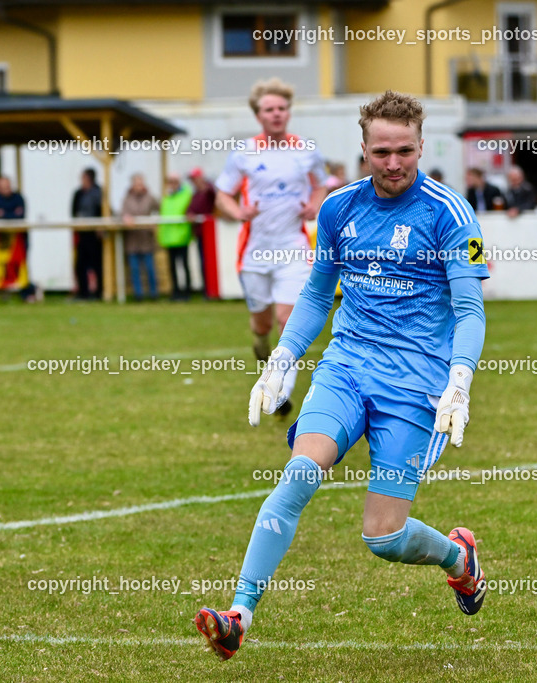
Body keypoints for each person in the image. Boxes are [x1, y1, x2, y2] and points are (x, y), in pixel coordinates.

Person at [194, 90, 490, 661]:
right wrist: (283, 359)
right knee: (301, 471)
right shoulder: (338, 209)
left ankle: (459, 558)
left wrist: (460, 379)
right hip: (347, 367)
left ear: (422, 146)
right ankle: (239, 614)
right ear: (362, 149)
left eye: (405, 150)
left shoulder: (449, 213)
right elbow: (315, 292)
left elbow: (470, 308)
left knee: (383, 537)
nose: (395, 163)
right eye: (382, 152)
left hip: (416, 386)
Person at [215, 77, 327, 415]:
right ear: (258, 115)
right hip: (255, 251)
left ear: (288, 112)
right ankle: (260, 345)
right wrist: (238, 211)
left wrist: (315, 206)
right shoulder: (244, 154)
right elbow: (223, 194)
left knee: (287, 319)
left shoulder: (306, 151)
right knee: (262, 323)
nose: (276, 114)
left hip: (293, 247)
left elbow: (322, 185)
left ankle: (280, 393)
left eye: (281, 108)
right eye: (269, 109)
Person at [120, 173, 159, 301]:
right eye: (136, 183)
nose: (139, 186)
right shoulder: (127, 199)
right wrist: (125, 218)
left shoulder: (150, 197)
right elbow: (122, 214)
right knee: (135, 270)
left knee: (150, 269)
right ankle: (138, 294)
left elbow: (161, 209)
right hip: (132, 240)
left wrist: (155, 222)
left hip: (146, 239)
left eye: (141, 183)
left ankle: (154, 294)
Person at [0, 176, 36, 301]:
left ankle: (25, 292)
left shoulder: (18, 198)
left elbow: (20, 215)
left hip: (18, 242)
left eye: (7, 186)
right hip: (1, 242)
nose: (6, 189)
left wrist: (3, 214)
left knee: (20, 266)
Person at [159, 173, 194, 301]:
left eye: (174, 181)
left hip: (181, 235)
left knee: (184, 265)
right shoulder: (166, 198)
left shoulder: (186, 195)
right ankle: (175, 291)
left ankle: (187, 292)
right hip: (169, 237)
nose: (172, 184)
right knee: (172, 267)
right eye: (170, 181)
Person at [71, 168, 104, 300]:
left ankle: (99, 292)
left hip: (94, 233)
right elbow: (73, 211)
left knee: (97, 264)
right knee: (80, 265)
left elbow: (102, 209)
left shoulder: (98, 192)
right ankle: (83, 292)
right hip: (82, 233)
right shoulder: (78, 193)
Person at [185, 168, 217, 299]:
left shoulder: (209, 191)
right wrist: (190, 215)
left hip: (210, 233)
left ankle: (211, 291)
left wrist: (207, 185)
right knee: (202, 262)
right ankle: (206, 290)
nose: (194, 182)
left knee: (209, 262)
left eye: (195, 179)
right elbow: (190, 210)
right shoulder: (195, 194)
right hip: (200, 233)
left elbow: (215, 197)